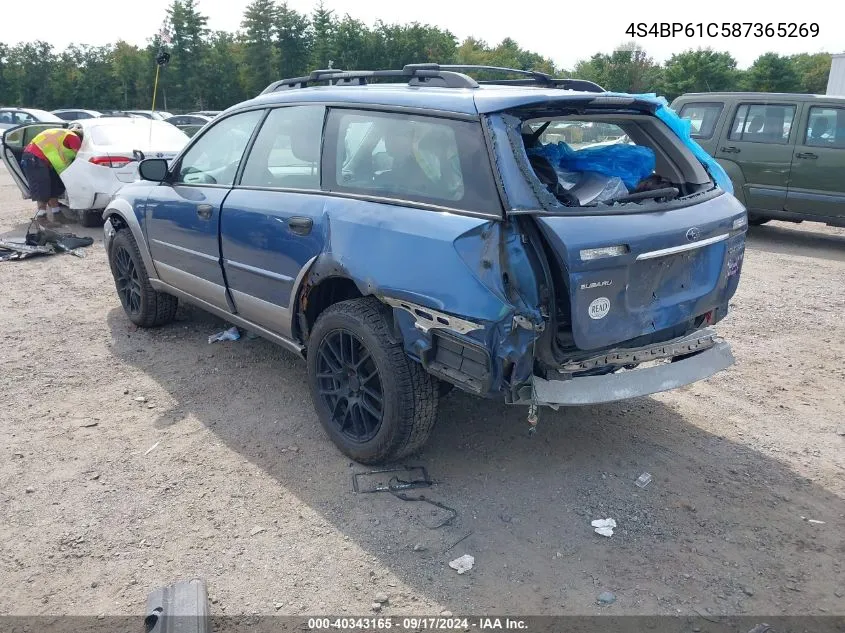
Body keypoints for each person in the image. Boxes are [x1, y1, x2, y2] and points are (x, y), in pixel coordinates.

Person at [20, 123, 84, 228]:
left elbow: (58, 155)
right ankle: (41, 217)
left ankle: (57, 214)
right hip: (34, 157)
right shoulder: (74, 137)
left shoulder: (64, 135)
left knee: (53, 186)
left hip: (42, 159)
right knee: (42, 189)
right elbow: (80, 157)